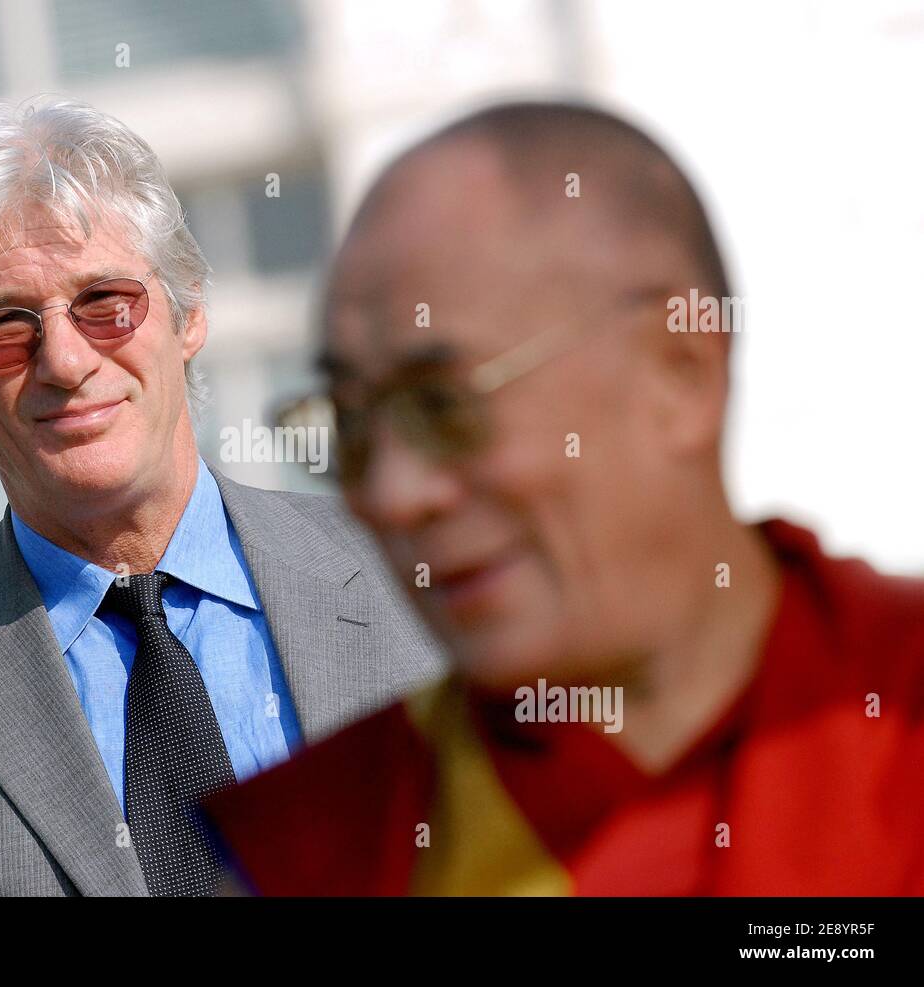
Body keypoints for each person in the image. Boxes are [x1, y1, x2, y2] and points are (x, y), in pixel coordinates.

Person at [203, 101, 924, 895]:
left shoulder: (899, 706)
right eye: (350, 422)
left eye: (443, 404)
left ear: (677, 373)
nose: (389, 493)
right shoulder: (318, 850)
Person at [0, 97, 443, 896]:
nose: (66, 361)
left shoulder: (420, 573)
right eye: (5, 328)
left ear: (189, 312)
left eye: (105, 303)